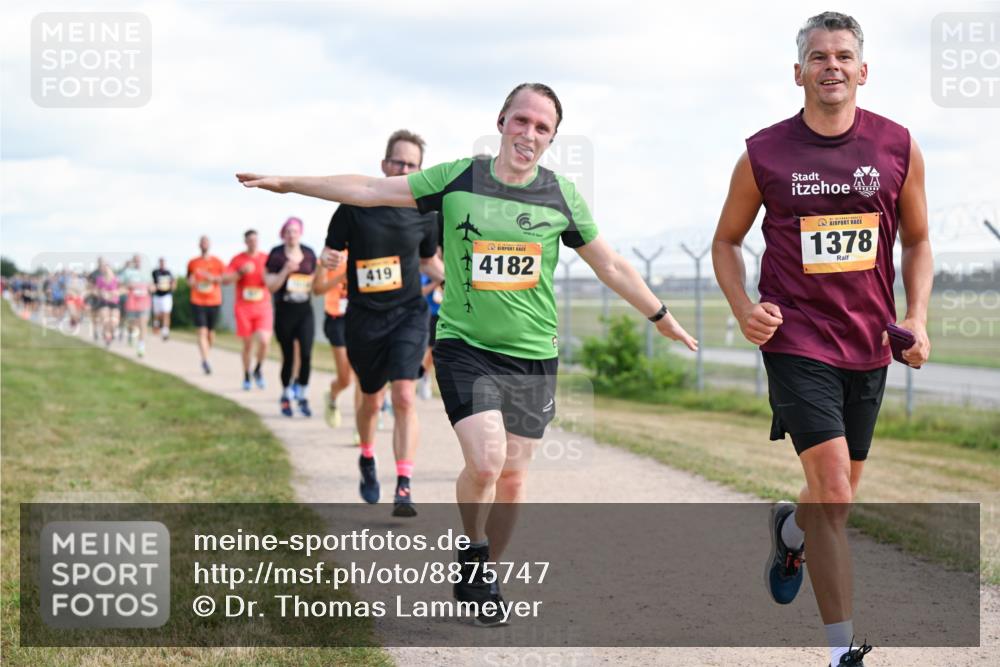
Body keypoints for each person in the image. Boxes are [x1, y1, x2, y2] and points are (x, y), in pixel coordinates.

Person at [238, 82, 698, 625]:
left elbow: (612, 265)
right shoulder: (458, 178)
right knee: (485, 461)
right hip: (465, 346)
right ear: (501, 121)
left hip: (533, 354)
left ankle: (484, 572)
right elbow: (368, 188)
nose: (529, 134)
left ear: (552, 139)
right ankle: (475, 544)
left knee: (514, 478)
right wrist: (289, 184)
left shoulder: (560, 196)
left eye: (543, 128)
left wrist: (661, 316)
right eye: (521, 120)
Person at [711, 12, 932, 667]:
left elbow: (918, 240)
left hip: (869, 344)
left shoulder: (898, 146)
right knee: (834, 491)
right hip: (796, 340)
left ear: (862, 71)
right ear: (798, 72)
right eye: (817, 56)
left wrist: (918, 316)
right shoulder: (764, 154)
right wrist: (743, 307)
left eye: (842, 56)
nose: (830, 65)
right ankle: (842, 654)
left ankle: (790, 529)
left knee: (834, 500)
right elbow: (725, 241)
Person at [322, 129, 443, 518]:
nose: (403, 170)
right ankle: (367, 455)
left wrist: (458, 282)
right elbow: (331, 251)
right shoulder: (354, 206)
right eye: (397, 162)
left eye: (411, 165)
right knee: (371, 400)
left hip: (408, 314)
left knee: (404, 395)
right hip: (364, 318)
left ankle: (404, 485)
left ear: (420, 171)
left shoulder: (426, 213)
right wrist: (326, 259)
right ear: (384, 164)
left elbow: (428, 261)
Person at [265, 217, 320, 417]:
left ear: (300, 233)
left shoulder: (309, 253)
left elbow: (316, 280)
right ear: (283, 234)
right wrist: (285, 271)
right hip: (284, 311)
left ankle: (303, 395)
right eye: (288, 231)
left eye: (295, 231)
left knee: (306, 354)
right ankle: (286, 394)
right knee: (288, 356)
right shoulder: (276, 254)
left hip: (304, 310)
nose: (291, 235)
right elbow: (270, 286)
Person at [312, 251, 360, 429]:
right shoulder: (331, 254)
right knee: (345, 379)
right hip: (337, 318)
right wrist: (341, 278)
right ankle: (332, 397)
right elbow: (317, 289)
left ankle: (361, 426)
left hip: (361, 317)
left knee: (362, 376)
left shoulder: (366, 247)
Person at [224, 229, 273, 390]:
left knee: (264, 341)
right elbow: (225, 280)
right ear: (245, 242)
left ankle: (258, 369)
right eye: (250, 240)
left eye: (255, 240)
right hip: (243, 308)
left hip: (263, 307)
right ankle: (246, 375)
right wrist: (240, 272)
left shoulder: (266, 258)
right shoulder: (238, 259)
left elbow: (274, 276)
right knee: (247, 345)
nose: (253, 243)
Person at [187, 236, 225, 374]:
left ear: (209, 244)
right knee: (202, 331)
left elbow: (224, 279)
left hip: (214, 300)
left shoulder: (218, 262)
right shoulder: (193, 263)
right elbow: (189, 279)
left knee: (210, 333)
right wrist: (191, 282)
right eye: (202, 242)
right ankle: (205, 360)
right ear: (199, 245)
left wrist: (212, 278)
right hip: (197, 300)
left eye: (206, 242)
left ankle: (206, 353)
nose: (204, 244)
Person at [418, 265, 444, 400]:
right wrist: (436, 282)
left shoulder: (448, 267)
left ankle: (425, 374)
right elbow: (421, 291)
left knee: (436, 350)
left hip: (444, 314)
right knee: (427, 349)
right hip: (428, 314)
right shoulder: (425, 269)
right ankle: (422, 376)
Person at [120, 255, 152, 357]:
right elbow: (121, 285)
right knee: (132, 324)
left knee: (143, 324)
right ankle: (130, 334)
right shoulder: (127, 272)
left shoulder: (146, 273)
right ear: (133, 262)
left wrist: (152, 288)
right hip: (132, 302)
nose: (138, 262)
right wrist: (128, 285)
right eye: (136, 261)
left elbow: (151, 285)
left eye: (139, 261)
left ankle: (141, 346)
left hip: (144, 301)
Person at [94, 262, 120, 348]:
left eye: (108, 269)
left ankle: (111, 333)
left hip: (114, 302)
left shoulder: (116, 279)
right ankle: (107, 337)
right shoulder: (100, 279)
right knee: (106, 320)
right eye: (104, 269)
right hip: (103, 302)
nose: (106, 270)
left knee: (114, 322)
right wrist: (101, 293)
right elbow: (96, 291)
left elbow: (122, 289)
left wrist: (114, 293)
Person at [151, 258, 175, 340]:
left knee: (166, 313)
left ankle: (165, 332)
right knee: (157, 314)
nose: (162, 264)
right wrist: (154, 287)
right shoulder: (155, 272)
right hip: (157, 296)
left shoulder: (169, 272)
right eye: (161, 262)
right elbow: (152, 283)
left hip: (166, 295)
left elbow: (173, 282)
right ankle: (156, 328)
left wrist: (173, 286)